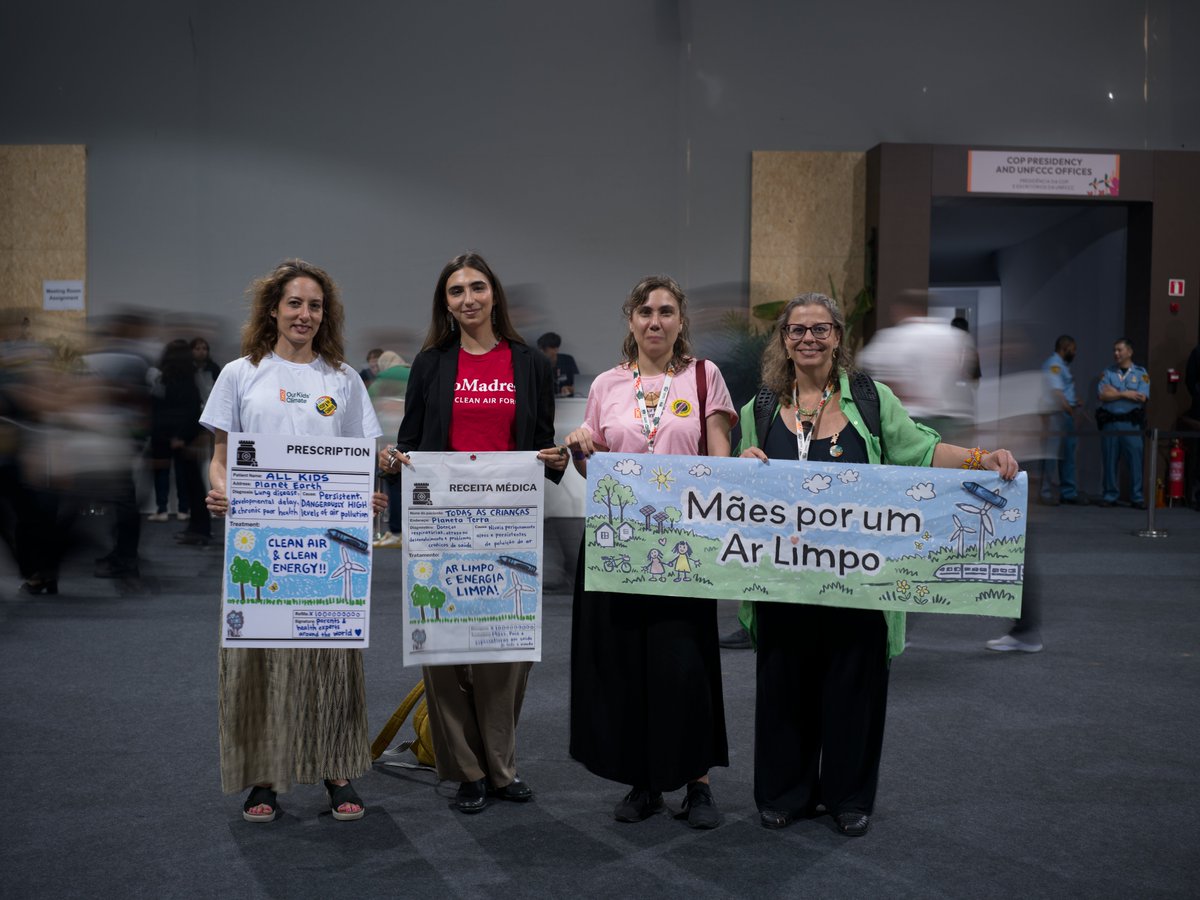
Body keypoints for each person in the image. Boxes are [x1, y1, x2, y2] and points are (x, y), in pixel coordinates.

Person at [736, 292, 1019, 837]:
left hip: (861, 580)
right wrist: (742, 459)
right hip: (784, 579)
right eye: (797, 331)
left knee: (854, 686)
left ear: (838, 337)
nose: (808, 339)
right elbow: (733, 485)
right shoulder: (762, 408)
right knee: (783, 687)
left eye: (820, 330)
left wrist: (984, 459)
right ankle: (784, 793)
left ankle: (848, 797)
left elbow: (922, 450)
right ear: (784, 340)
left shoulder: (870, 399)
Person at [378, 252, 567, 814]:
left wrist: (554, 459)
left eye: (477, 288)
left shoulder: (529, 363)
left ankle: (502, 768)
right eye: (456, 291)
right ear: (446, 303)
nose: (468, 299)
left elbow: (542, 443)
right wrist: (394, 458)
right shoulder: (432, 363)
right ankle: (463, 770)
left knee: (507, 650)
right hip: (443, 524)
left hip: (508, 525)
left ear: (494, 295)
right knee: (443, 648)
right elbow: (410, 439)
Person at [202, 259, 386, 823]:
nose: (305, 314)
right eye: (295, 304)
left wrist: (369, 499)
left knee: (329, 658)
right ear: (273, 309)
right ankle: (264, 778)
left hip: (328, 548)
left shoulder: (343, 379)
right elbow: (220, 461)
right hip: (260, 546)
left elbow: (363, 461)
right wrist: (220, 494)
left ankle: (336, 770)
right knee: (260, 658)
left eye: (315, 305)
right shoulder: (240, 374)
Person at [565, 274, 736, 830]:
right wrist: (579, 449)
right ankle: (644, 780)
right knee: (628, 661)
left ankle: (697, 782)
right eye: (644, 312)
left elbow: (720, 463)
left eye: (665, 311)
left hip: (684, 544)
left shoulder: (704, 377)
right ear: (630, 321)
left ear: (681, 320)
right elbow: (595, 467)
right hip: (619, 544)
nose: (655, 321)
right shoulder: (607, 386)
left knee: (685, 663)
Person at [148, 339, 210, 545]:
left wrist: (172, 436)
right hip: (187, 437)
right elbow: (194, 409)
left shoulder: (164, 378)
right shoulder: (191, 377)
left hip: (171, 436)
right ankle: (198, 527)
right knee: (193, 484)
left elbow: (160, 407)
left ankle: (198, 528)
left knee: (185, 482)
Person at [1096, 337, 1149, 508]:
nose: (1116, 353)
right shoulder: (1108, 373)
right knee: (1110, 460)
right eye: (1114, 350)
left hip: (1131, 424)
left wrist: (1115, 392)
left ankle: (1137, 496)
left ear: (1130, 352)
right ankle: (1110, 495)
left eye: (1119, 350)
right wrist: (1126, 394)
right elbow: (1102, 395)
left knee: (1135, 460)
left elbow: (1141, 397)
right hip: (1111, 423)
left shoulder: (1141, 373)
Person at [1039, 335, 1087, 505]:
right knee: (1051, 456)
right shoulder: (1054, 365)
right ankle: (1045, 493)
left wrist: (1075, 402)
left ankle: (1068, 493)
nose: (1074, 353)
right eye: (1073, 350)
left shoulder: (1062, 366)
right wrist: (1071, 410)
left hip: (1065, 414)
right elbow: (1057, 394)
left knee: (1068, 455)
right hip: (1056, 415)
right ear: (1065, 347)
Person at [367, 351, 409, 548]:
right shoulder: (413, 371)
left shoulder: (385, 377)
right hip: (412, 442)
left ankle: (396, 531)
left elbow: (368, 404)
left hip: (390, 442)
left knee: (393, 486)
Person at [536, 332, 580, 396]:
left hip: (567, 401)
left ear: (556, 349)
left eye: (544, 349)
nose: (541, 352)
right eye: (540, 349)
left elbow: (579, 386)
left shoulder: (567, 360)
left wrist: (569, 389)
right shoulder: (537, 364)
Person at [191, 336, 222, 404]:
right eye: (197, 349)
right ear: (191, 351)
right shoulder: (188, 368)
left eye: (204, 349)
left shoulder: (213, 368)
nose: (201, 352)